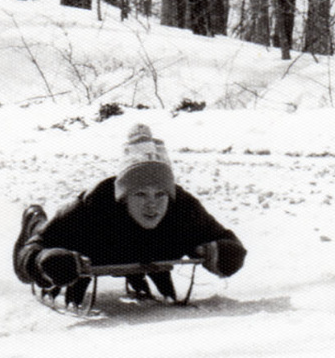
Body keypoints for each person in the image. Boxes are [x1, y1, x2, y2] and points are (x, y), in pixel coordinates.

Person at [13, 123, 246, 306]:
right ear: (123, 197)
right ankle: (34, 218)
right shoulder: (91, 208)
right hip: (92, 246)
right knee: (37, 248)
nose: (151, 205)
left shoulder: (184, 210)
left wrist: (219, 253)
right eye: (140, 194)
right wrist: (44, 262)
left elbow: (229, 242)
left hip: (139, 250)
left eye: (160, 195)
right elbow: (32, 251)